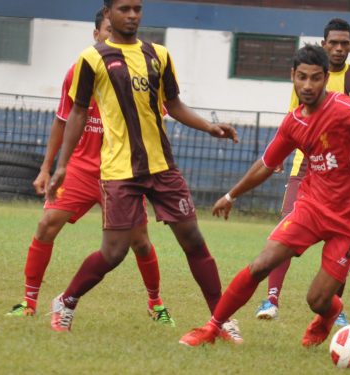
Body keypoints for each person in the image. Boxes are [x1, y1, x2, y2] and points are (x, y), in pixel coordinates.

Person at [178, 44, 350, 347]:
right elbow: (266, 164)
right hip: (312, 207)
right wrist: (231, 195)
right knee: (261, 264)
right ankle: (213, 327)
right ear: (292, 76)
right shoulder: (294, 122)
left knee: (318, 299)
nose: (308, 86)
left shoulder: (343, 107)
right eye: (302, 77)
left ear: (325, 79)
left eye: (316, 79)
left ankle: (328, 315)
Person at [46, 0, 241, 342]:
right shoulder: (92, 59)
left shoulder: (159, 55)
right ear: (108, 12)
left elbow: (174, 104)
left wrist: (209, 127)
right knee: (115, 252)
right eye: (124, 9)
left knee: (194, 240)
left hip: (162, 167)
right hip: (120, 171)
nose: (133, 15)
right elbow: (77, 112)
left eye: (137, 8)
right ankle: (66, 300)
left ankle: (221, 319)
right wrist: (62, 165)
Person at [5, 9, 174, 327]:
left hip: (122, 171)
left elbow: (156, 118)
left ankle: (156, 303)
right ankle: (28, 302)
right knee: (46, 225)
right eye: (108, 30)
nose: (114, 36)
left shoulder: (139, 69)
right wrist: (48, 168)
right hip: (82, 169)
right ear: (96, 34)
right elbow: (62, 120)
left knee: (140, 241)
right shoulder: (81, 69)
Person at [255, 17, 350, 327]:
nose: (338, 48)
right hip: (305, 169)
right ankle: (272, 297)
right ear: (324, 45)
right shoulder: (306, 77)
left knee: (341, 246)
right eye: (333, 43)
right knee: (287, 232)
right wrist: (282, 154)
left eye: (344, 44)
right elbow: (293, 118)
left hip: (345, 177)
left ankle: (335, 308)